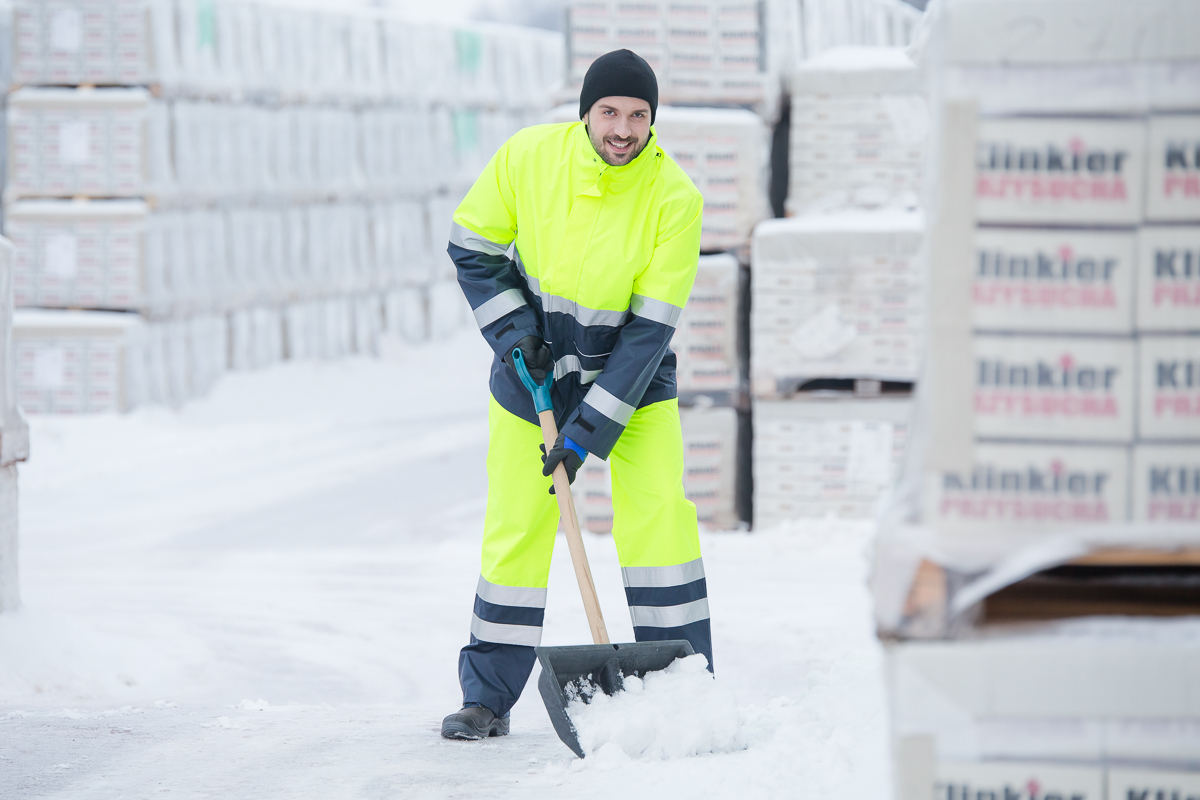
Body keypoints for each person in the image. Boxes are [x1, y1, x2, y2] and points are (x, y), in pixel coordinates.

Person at [441, 49, 713, 741]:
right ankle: (487, 698)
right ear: (586, 111)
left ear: (654, 120)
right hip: (532, 378)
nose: (623, 129)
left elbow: (648, 332)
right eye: (610, 112)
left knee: (659, 520)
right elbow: (472, 244)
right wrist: (511, 333)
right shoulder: (528, 158)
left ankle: (684, 685)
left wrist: (585, 433)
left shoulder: (675, 198)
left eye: (638, 115)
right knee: (517, 528)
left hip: (632, 386)